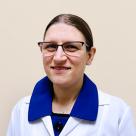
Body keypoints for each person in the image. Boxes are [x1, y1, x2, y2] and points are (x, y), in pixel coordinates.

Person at [7, 14, 136, 136]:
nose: (58, 57)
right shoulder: (21, 111)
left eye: (71, 47)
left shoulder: (117, 113)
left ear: (90, 55)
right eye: (51, 46)